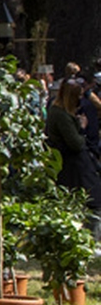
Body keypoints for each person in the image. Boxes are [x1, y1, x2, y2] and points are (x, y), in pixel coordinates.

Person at [47, 80, 101, 216]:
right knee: (92, 205)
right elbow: (75, 143)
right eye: (78, 96)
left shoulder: (61, 112)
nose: (80, 100)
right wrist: (82, 129)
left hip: (72, 166)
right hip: (73, 166)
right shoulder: (61, 115)